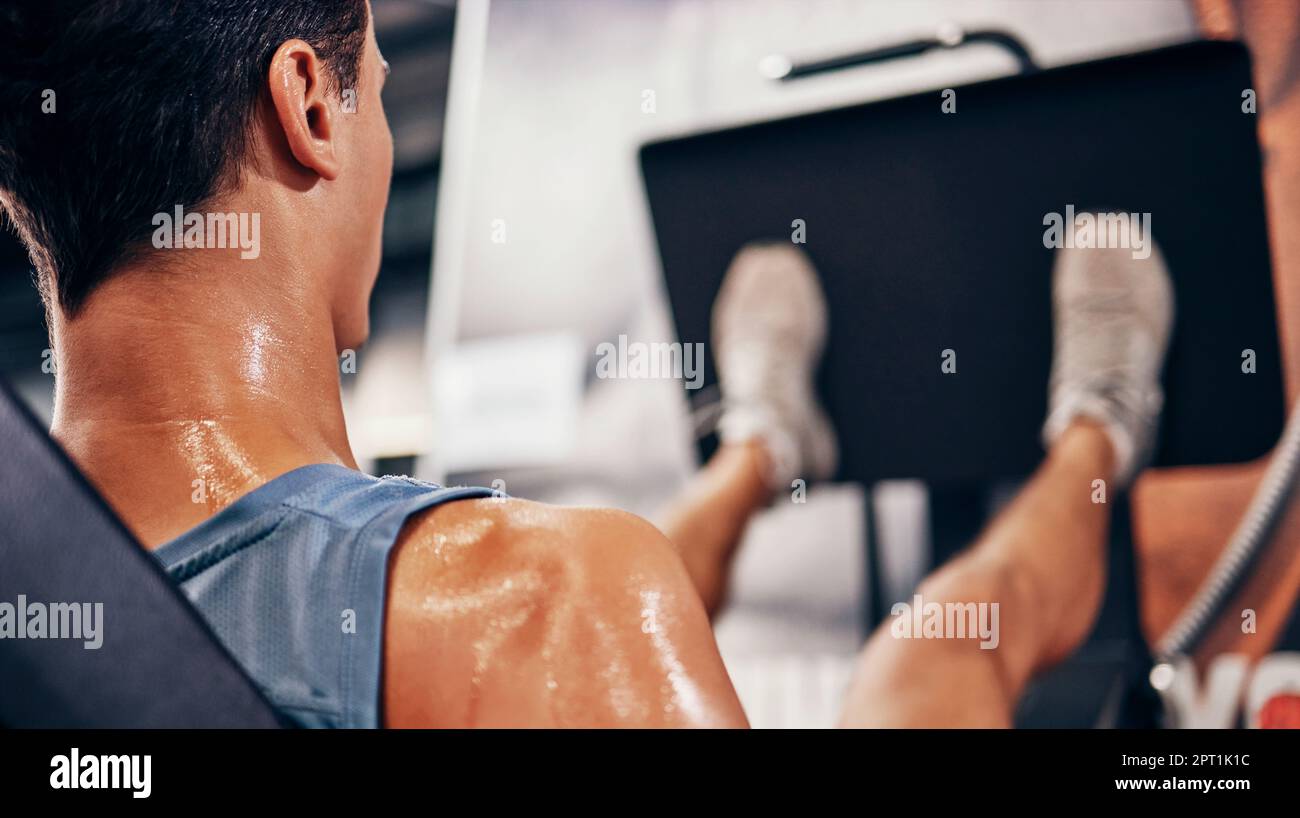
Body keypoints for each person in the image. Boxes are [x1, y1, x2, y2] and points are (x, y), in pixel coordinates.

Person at [0, 0, 1172, 728]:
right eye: (379, 103)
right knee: (936, 651)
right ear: (309, 103)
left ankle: (762, 447)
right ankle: (1102, 418)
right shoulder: (544, 604)